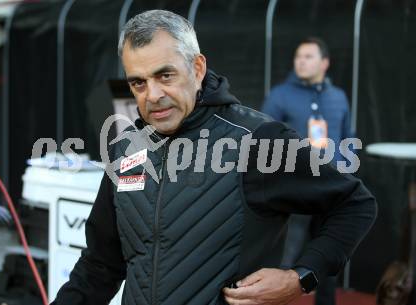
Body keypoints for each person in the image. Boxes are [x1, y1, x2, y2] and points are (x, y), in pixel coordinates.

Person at [51, 10, 376, 305]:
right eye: (138, 82)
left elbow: (355, 204)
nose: (152, 95)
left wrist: (301, 277)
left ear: (197, 67)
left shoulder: (256, 140)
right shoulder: (126, 151)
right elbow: (100, 265)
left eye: (165, 76)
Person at [261, 37, 353, 305]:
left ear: (325, 63)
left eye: (308, 56)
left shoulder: (338, 97)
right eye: (298, 56)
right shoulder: (280, 95)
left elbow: (348, 138)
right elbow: (264, 139)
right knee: (286, 256)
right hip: (295, 189)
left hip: (331, 190)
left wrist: (345, 176)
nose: (301, 61)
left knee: (329, 255)